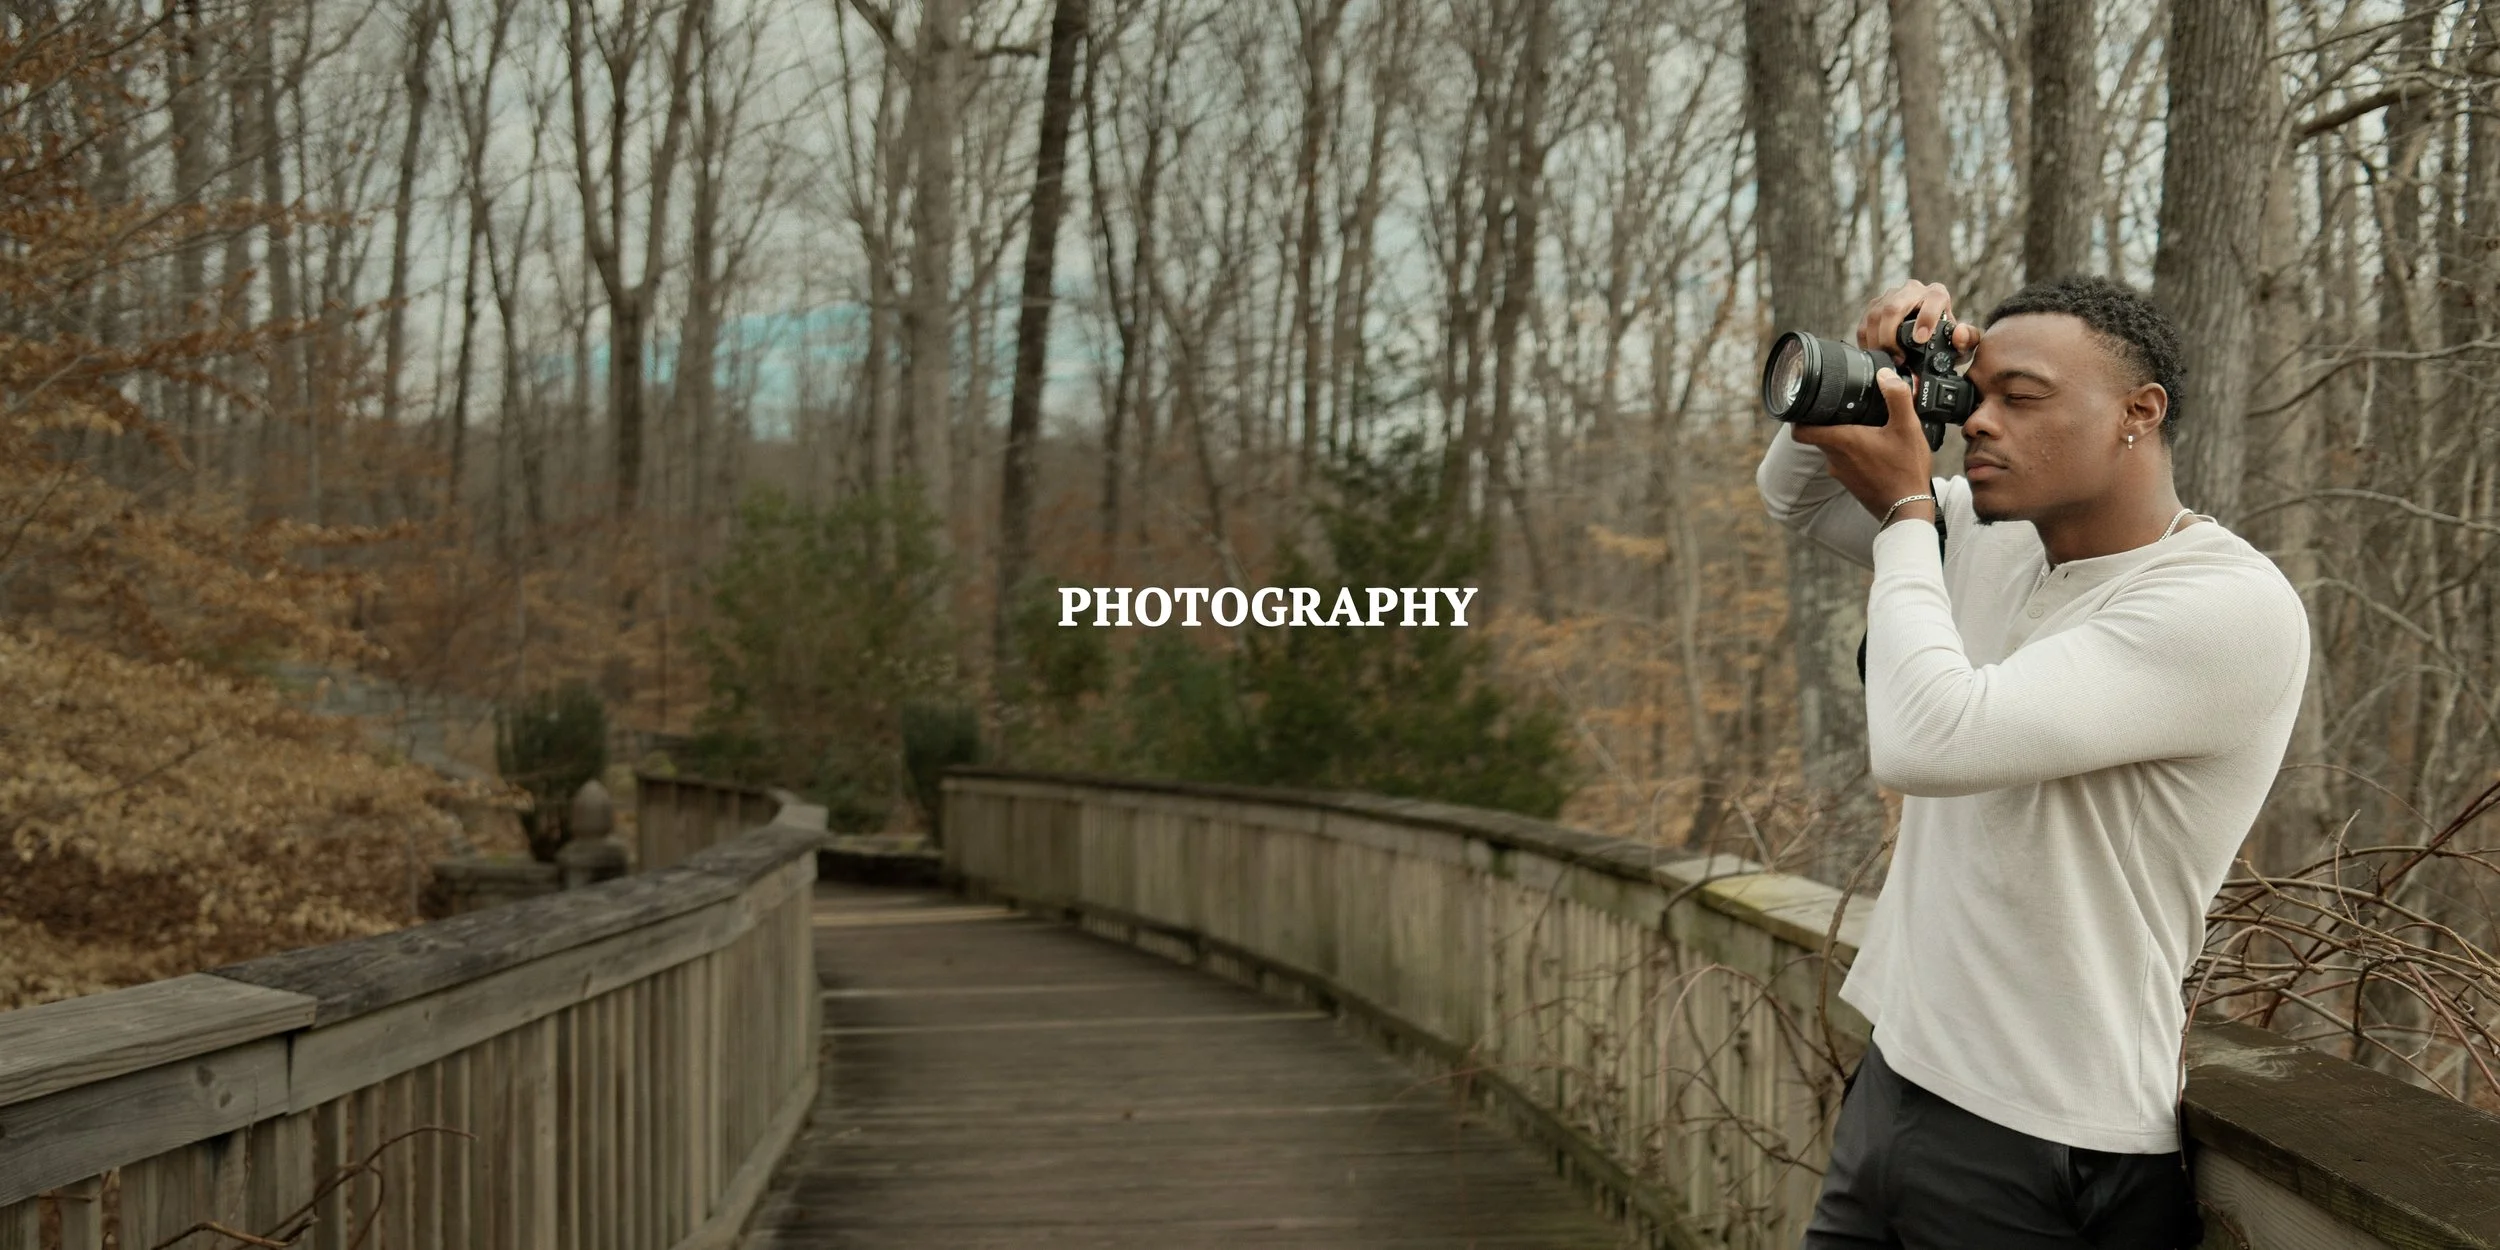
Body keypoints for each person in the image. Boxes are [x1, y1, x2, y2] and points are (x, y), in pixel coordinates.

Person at [1757, 275, 2310, 1249]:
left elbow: (1930, 736)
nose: (1980, 421)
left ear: (2138, 414)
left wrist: (1904, 516)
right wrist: (1881, 374)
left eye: (2022, 397)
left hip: (2043, 1130)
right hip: (1899, 1074)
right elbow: (1792, 495)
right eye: (1972, 393)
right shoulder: (1990, 533)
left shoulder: (2223, 606)